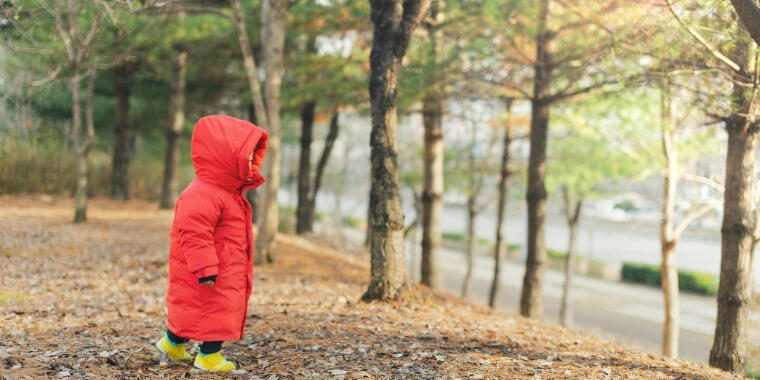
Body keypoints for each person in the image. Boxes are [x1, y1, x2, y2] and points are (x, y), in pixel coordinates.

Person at [154, 115, 267, 372]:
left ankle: (172, 344)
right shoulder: (203, 192)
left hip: (223, 267)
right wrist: (205, 267)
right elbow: (194, 232)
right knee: (214, 310)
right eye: (246, 155)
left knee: (196, 308)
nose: (251, 161)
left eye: (252, 156)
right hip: (211, 270)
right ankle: (209, 356)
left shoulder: (226, 192)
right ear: (225, 156)